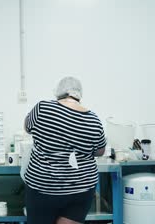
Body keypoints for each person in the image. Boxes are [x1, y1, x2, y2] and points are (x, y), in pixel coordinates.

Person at [23, 76, 107, 224]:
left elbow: (27, 127)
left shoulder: (43, 107)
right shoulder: (93, 119)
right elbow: (100, 151)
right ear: (79, 96)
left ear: (58, 93)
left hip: (44, 188)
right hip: (81, 189)